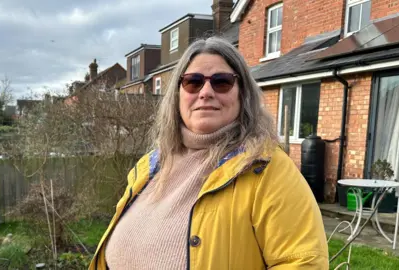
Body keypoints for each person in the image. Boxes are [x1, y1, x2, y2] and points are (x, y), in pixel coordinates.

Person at [89, 36, 328, 269]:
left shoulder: (267, 170)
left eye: (221, 82)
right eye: (193, 82)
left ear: (242, 94)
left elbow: (304, 262)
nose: (205, 92)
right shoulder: (149, 167)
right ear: (177, 95)